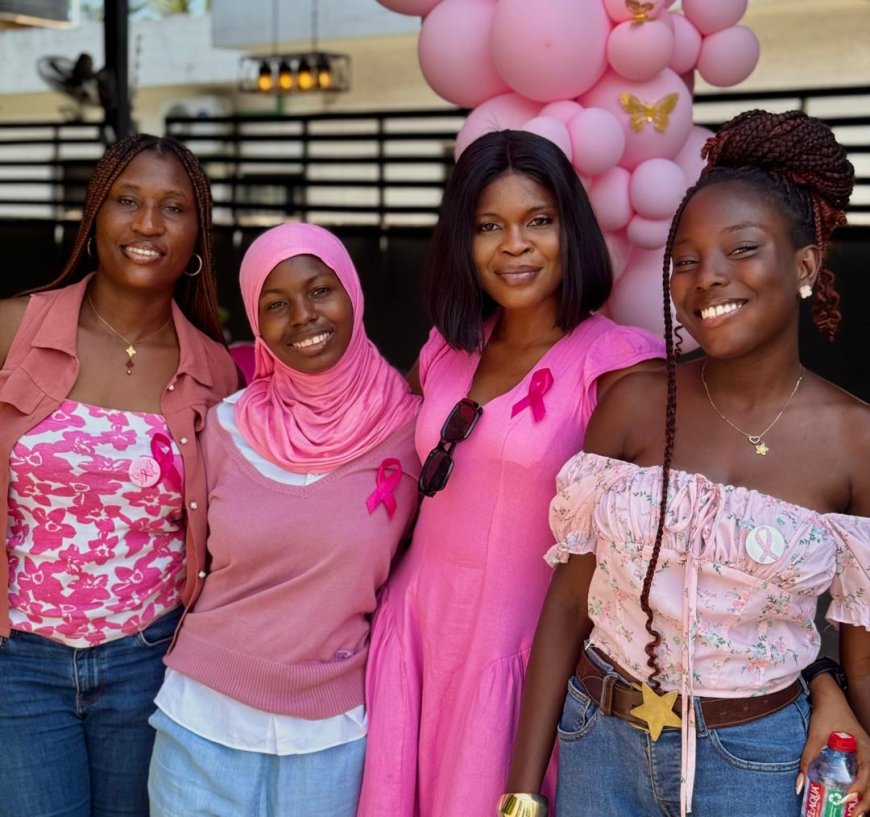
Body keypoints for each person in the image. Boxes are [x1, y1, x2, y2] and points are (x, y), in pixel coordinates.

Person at [503, 109, 870, 817]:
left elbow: (862, 641)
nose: (709, 278)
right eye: (687, 258)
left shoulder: (854, 438)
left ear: (804, 266)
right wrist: (521, 790)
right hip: (596, 745)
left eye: (742, 249)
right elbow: (567, 603)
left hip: (760, 762)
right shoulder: (634, 402)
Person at [357, 129, 665, 817]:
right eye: (489, 226)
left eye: (538, 222)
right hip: (415, 635)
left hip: (520, 654)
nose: (515, 245)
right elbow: (372, 461)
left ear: (572, 227)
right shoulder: (447, 347)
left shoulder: (617, 361)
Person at [0, 134, 239, 817]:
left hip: (150, 659)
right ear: (95, 215)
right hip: (20, 660)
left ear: (198, 234)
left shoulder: (215, 372)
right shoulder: (13, 327)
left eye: (173, 207)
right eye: (127, 201)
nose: (146, 224)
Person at [146, 223, 421, 817]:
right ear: (256, 323)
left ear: (352, 291)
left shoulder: (412, 434)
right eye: (275, 304)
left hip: (331, 736)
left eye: (321, 290)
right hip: (202, 720)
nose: (302, 316)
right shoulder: (222, 427)